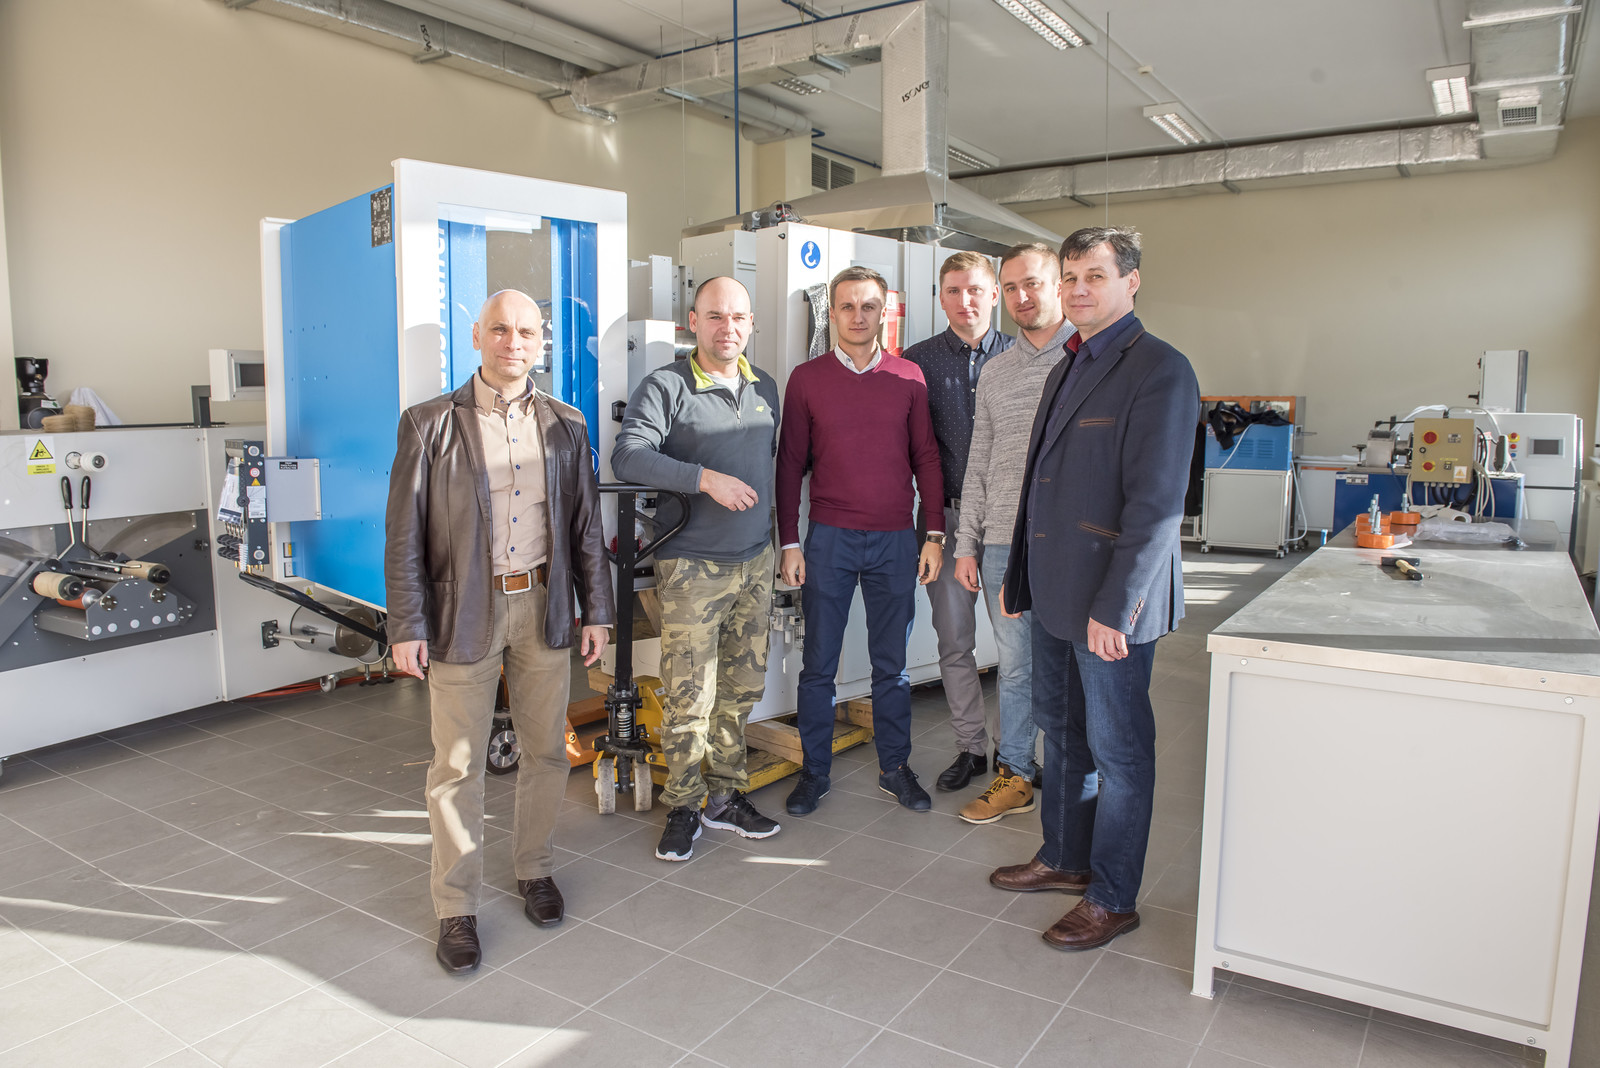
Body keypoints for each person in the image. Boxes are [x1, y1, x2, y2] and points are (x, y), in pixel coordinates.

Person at [385, 289, 615, 975]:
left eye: (526, 332)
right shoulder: (429, 423)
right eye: (500, 330)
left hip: (544, 607)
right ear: (478, 337)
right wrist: (406, 623)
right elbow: (403, 534)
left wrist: (598, 611)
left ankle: (534, 868)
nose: (513, 343)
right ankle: (456, 907)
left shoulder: (567, 423)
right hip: (464, 611)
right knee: (455, 765)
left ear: (542, 342)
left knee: (546, 753)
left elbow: (586, 529)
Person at [991, 227, 1199, 951]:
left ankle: (1112, 897)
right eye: (1071, 276)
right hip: (1054, 593)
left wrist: (1117, 608)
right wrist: (1019, 577)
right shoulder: (1068, 363)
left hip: (1112, 604)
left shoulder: (1160, 369)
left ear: (1130, 281)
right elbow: (1038, 487)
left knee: (1119, 752)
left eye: (1096, 276)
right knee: (1063, 731)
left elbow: (1157, 506)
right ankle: (1065, 857)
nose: (1079, 289)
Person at [611, 276, 783, 862]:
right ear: (693, 322)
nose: (726, 328)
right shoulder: (667, 386)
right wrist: (704, 479)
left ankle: (725, 796)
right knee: (690, 696)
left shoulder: (766, 388)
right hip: (692, 566)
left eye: (737, 317)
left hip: (755, 561)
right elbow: (629, 456)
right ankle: (684, 805)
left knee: (740, 690)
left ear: (751, 323)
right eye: (714, 316)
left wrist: (784, 545)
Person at [776, 265, 944, 816]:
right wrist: (789, 541)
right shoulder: (807, 379)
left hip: (895, 540)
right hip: (829, 539)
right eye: (846, 306)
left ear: (883, 312)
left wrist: (933, 534)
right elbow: (789, 465)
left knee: (891, 667)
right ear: (832, 313)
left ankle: (895, 768)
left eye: (868, 306)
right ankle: (814, 772)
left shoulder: (909, 377)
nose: (857, 316)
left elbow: (926, 458)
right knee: (818, 665)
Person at [950, 243, 1074, 824]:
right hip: (1002, 541)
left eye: (1034, 284)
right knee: (1017, 666)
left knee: (1073, 667)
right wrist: (967, 544)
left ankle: (1075, 775)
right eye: (1012, 288)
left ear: (1059, 285)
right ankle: (1017, 773)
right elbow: (979, 462)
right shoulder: (996, 372)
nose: (1022, 297)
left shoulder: (1087, 359)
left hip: (1069, 543)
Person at [902, 252, 1014, 795]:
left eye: (974, 289)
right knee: (954, 642)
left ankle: (1015, 754)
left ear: (994, 294)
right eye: (953, 290)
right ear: (940, 297)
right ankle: (971, 747)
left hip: (1011, 523)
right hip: (944, 522)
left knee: (1018, 648)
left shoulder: (1024, 355)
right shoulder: (917, 362)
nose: (964, 301)